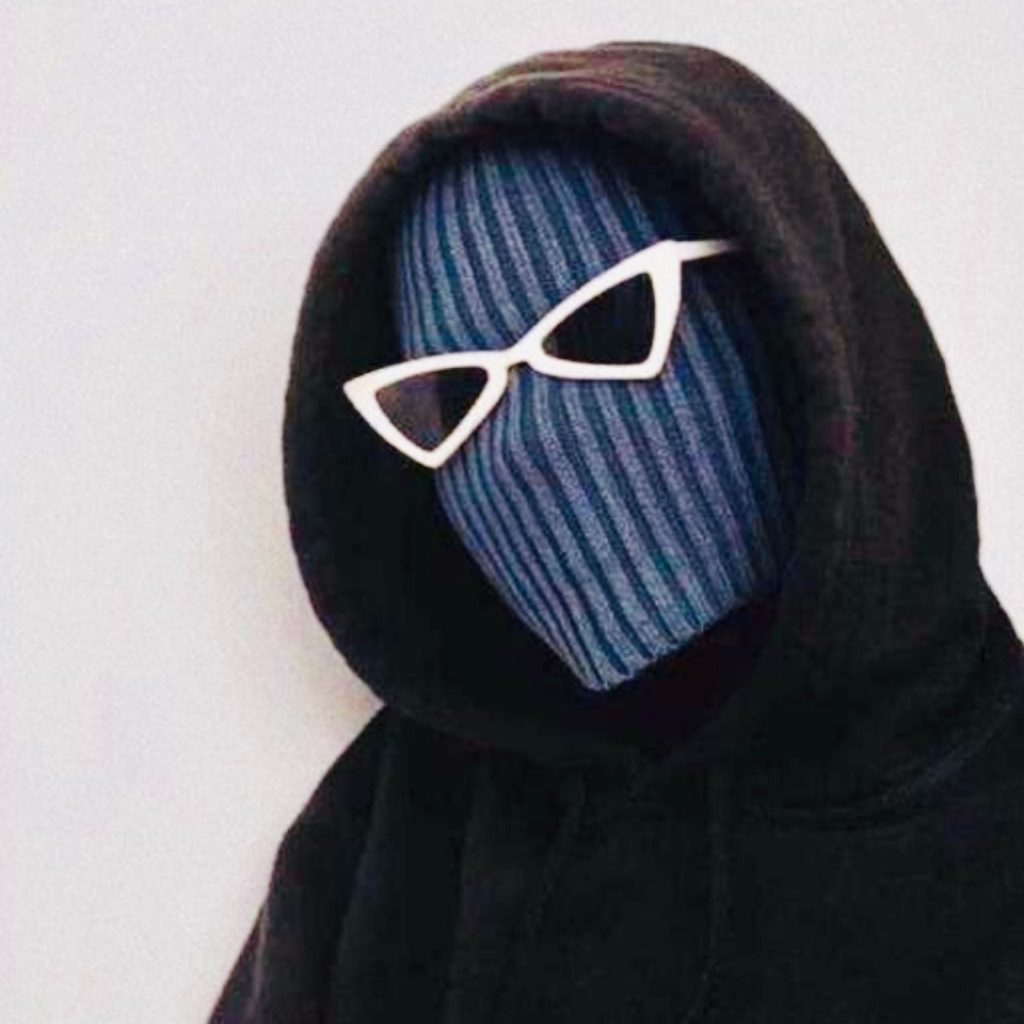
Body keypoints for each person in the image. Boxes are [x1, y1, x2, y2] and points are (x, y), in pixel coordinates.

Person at [208, 42, 1024, 1023]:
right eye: (454, 399)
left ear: (795, 313)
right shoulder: (407, 823)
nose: (524, 449)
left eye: (607, 326)